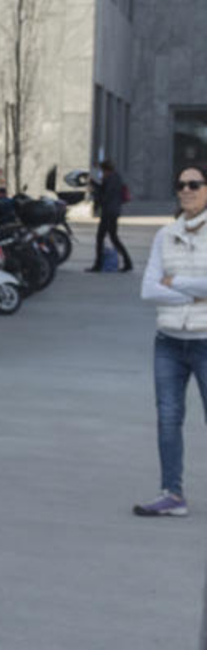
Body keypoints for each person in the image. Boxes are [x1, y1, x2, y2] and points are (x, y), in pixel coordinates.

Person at [133, 164, 207, 516]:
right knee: (167, 418)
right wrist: (195, 294)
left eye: (194, 184)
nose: (186, 190)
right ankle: (172, 495)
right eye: (181, 185)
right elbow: (148, 290)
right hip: (168, 342)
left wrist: (174, 283)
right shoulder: (165, 235)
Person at [90, 159, 132, 272]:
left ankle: (98, 264)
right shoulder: (115, 177)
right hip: (113, 211)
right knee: (112, 237)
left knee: (102, 238)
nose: (102, 174)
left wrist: (95, 191)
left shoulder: (111, 179)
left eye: (102, 171)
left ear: (106, 170)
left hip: (109, 212)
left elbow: (105, 196)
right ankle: (127, 263)